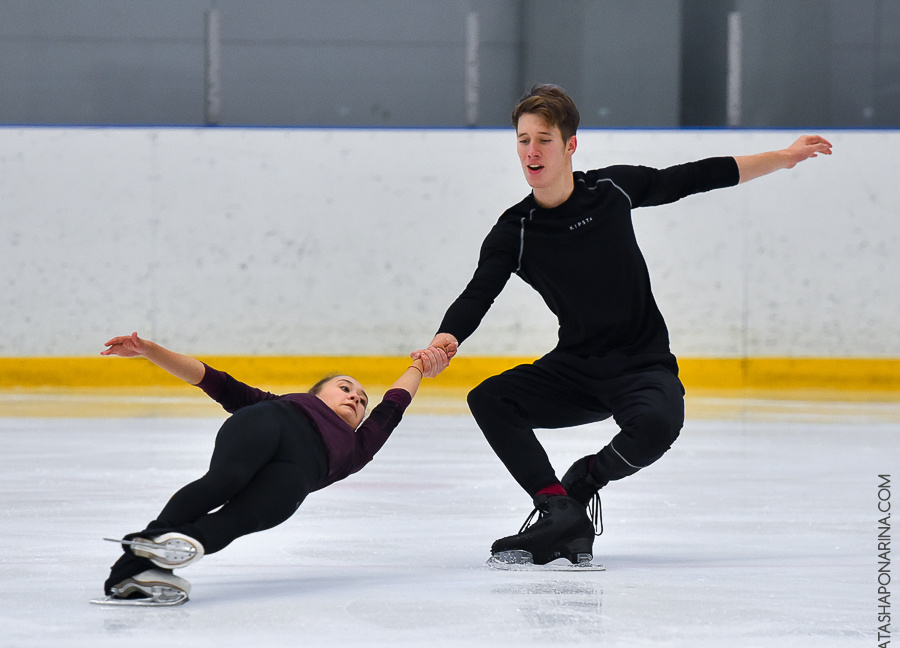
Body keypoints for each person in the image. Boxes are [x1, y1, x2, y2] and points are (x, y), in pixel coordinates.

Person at [413, 84, 832, 566]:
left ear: (570, 145)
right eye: (523, 140)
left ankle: (584, 481)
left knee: (659, 425)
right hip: (576, 369)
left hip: (642, 363)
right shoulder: (515, 231)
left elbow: (691, 177)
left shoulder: (610, 190)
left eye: (544, 139)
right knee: (489, 399)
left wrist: (783, 157)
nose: (532, 151)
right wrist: (445, 340)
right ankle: (557, 509)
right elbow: (478, 293)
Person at [99, 331, 451, 603]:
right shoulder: (282, 403)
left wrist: (418, 368)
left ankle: (171, 549)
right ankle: (143, 553)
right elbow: (210, 378)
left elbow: (394, 404)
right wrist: (150, 351)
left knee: (244, 517)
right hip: (271, 424)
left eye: (361, 401)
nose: (354, 398)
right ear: (316, 394)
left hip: (297, 475)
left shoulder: (358, 447)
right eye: (345, 388)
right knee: (226, 480)